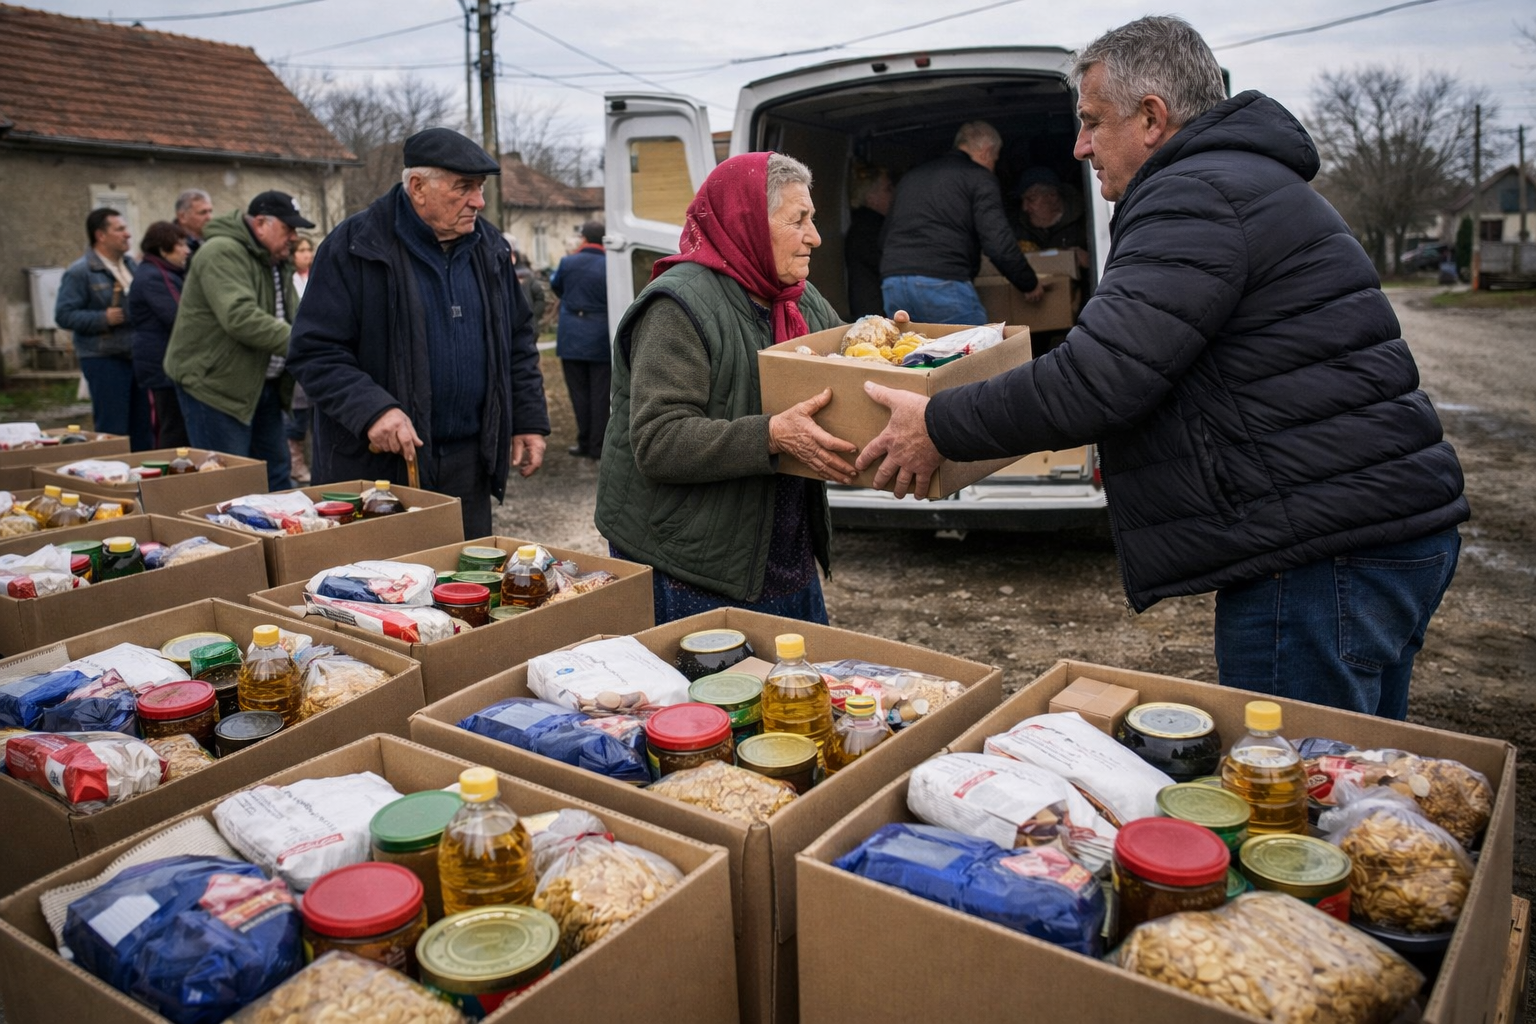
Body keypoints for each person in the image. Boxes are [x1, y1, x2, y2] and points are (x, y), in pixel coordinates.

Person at [855, 16, 1468, 720]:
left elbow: (1100, 376)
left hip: (1321, 556)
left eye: (1091, 122)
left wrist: (938, 422)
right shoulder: (1237, 182)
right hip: (1365, 533)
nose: (1079, 146)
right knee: (1354, 781)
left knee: (1297, 796)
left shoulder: (1195, 194)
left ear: (1152, 117)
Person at [594, 152, 863, 626]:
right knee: (714, 696)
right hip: (691, 559)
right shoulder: (677, 307)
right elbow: (659, 441)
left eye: (812, 219)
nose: (814, 237)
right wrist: (772, 436)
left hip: (777, 550)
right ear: (749, 224)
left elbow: (846, 367)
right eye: (797, 220)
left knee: (792, 690)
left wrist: (890, 347)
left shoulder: (798, 298)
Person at [287, 128, 549, 538]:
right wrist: (373, 409)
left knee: (463, 585)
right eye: (464, 188)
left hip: (467, 466)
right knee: (381, 590)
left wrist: (528, 418)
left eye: (479, 188)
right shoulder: (354, 247)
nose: (478, 201)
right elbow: (314, 351)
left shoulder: (490, 248)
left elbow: (517, 340)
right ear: (417, 187)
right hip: (377, 470)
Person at [164, 190, 310, 491]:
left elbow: (295, 316)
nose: (294, 237)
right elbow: (240, 316)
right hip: (215, 388)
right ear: (260, 223)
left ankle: (282, 539)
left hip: (262, 385)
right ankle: (232, 540)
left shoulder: (276, 260)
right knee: (227, 483)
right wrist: (307, 343)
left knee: (275, 475)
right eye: (288, 228)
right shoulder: (221, 252)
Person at [879, 121, 1041, 323]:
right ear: (987, 151)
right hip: (943, 282)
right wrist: (1029, 283)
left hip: (893, 284)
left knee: (912, 351)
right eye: (995, 159)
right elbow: (997, 243)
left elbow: (885, 236)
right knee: (973, 351)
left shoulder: (912, 177)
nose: (993, 166)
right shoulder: (980, 177)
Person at [54, 208, 153, 449]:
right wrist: (102, 318)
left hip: (136, 357)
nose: (128, 234)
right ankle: (112, 479)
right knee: (113, 429)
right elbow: (63, 315)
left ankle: (142, 481)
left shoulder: (132, 266)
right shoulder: (81, 272)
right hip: (104, 359)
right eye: (119, 229)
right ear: (101, 235)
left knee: (143, 428)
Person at [126, 221, 191, 448]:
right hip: (160, 365)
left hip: (162, 362)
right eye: (180, 245)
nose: (187, 250)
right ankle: (169, 478)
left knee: (175, 425)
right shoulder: (155, 276)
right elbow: (179, 316)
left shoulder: (164, 273)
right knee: (171, 427)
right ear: (163, 250)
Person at [550, 220, 610, 459]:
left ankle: (583, 441)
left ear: (584, 239)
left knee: (578, 393)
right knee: (601, 393)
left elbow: (557, 287)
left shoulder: (568, 262)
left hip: (571, 335)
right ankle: (598, 444)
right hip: (601, 335)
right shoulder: (609, 264)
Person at [844, 163, 893, 317]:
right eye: (887, 189)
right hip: (873, 308)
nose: (893, 194)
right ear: (871, 198)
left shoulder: (862, 224)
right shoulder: (869, 229)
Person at [288, 236, 315, 483]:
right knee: (296, 411)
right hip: (294, 345)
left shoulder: (315, 276)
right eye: (302, 250)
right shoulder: (289, 281)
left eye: (310, 249)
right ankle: (295, 462)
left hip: (311, 345)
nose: (307, 254)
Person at [1015, 168, 1089, 258]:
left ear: (1052, 196)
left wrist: (1089, 261)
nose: (1024, 207)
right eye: (1022, 200)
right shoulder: (1020, 229)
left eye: (1031, 199)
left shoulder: (1087, 225)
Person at [174, 189, 213, 255]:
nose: (209, 218)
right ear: (182, 217)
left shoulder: (214, 238)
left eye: (210, 211)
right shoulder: (171, 245)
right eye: (203, 212)